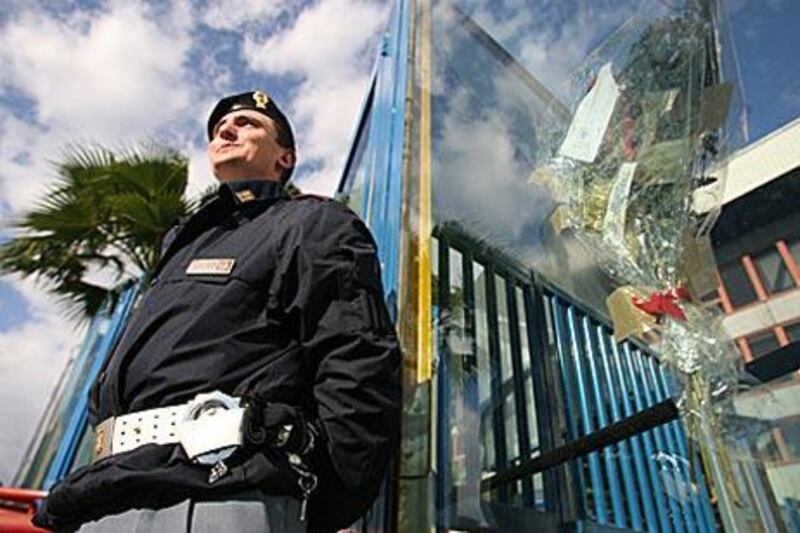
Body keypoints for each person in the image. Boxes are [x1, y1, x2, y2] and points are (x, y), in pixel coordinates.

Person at [33, 91, 402, 533]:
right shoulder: (180, 246)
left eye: (248, 123)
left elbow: (356, 357)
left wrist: (324, 506)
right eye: (218, 128)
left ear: (285, 158)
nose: (225, 130)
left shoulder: (310, 224)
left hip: (216, 495)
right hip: (107, 494)